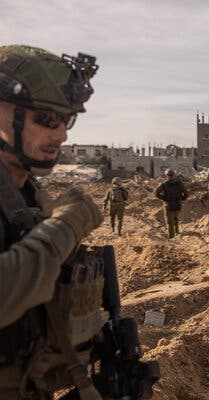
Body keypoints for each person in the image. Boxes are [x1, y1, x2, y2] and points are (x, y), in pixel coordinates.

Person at [0, 45, 104, 399]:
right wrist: (64, 228)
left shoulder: (26, 193)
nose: (61, 135)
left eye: (66, 120)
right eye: (45, 119)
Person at [154, 169, 189, 238]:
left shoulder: (164, 184)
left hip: (169, 204)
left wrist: (163, 198)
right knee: (176, 218)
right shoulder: (179, 183)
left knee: (170, 221)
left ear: (167, 176)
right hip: (177, 204)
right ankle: (177, 232)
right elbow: (186, 194)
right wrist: (181, 199)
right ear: (174, 175)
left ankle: (171, 236)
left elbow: (156, 193)